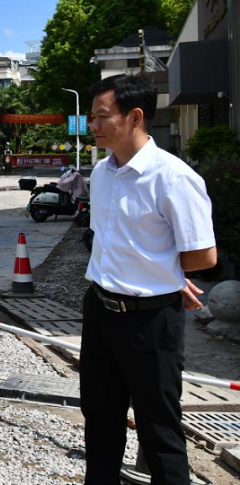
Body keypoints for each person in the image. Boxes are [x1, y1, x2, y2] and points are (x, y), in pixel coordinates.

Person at [81, 73, 215, 484]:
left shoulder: (172, 177)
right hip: (101, 310)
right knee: (100, 422)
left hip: (151, 322)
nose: (93, 125)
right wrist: (161, 268)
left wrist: (167, 273)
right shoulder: (102, 173)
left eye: (102, 116)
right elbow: (111, 240)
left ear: (136, 116)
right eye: (91, 116)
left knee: (159, 430)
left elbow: (203, 255)